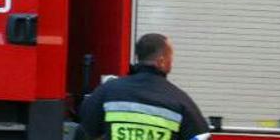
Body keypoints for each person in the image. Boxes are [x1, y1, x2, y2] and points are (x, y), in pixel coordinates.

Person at [73, 33, 209, 140]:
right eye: (170, 57)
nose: (172, 62)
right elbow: (200, 136)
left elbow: (84, 131)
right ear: (161, 61)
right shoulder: (180, 101)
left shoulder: (107, 91)